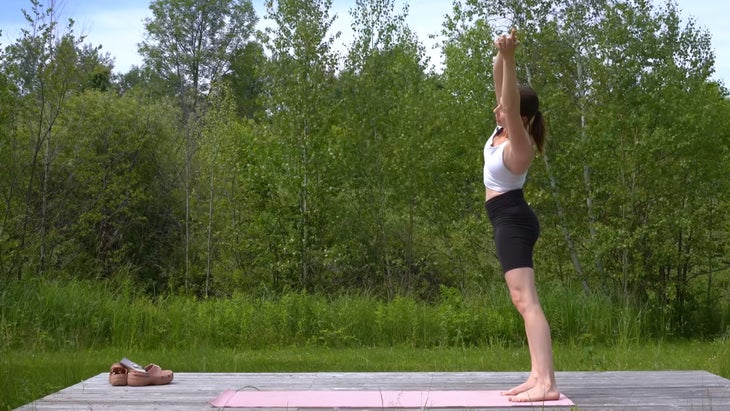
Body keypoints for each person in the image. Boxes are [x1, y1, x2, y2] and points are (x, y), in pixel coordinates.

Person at [483, 28, 560, 403]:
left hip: (512, 219)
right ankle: (537, 375)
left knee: (525, 299)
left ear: (522, 116)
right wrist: (502, 52)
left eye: (506, 107)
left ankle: (547, 382)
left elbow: (509, 104)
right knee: (522, 299)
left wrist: (512, 61)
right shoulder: (502, 127)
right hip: (505, 218)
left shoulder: (520, 143)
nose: (497, 108)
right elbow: (502, 86)